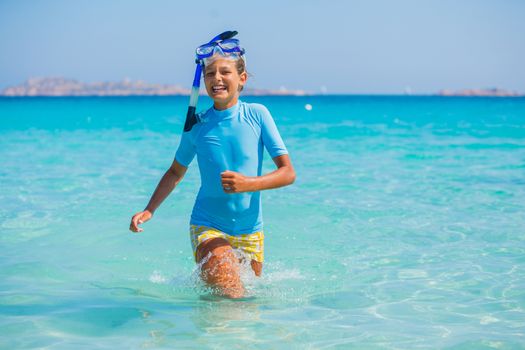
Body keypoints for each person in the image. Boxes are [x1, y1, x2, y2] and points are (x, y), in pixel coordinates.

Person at [129, 33, 295, 298]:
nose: (216, 78)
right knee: (232, 294)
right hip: (208, 225)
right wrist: (150, 209)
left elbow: (288, 173)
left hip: (251, 231)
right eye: (209, 73)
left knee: (242, 300)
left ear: (242, 79)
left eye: (224, 72)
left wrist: (248, 184)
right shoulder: (198, 126)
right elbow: (175, 172)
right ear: (203, 81)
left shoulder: (257, 115)